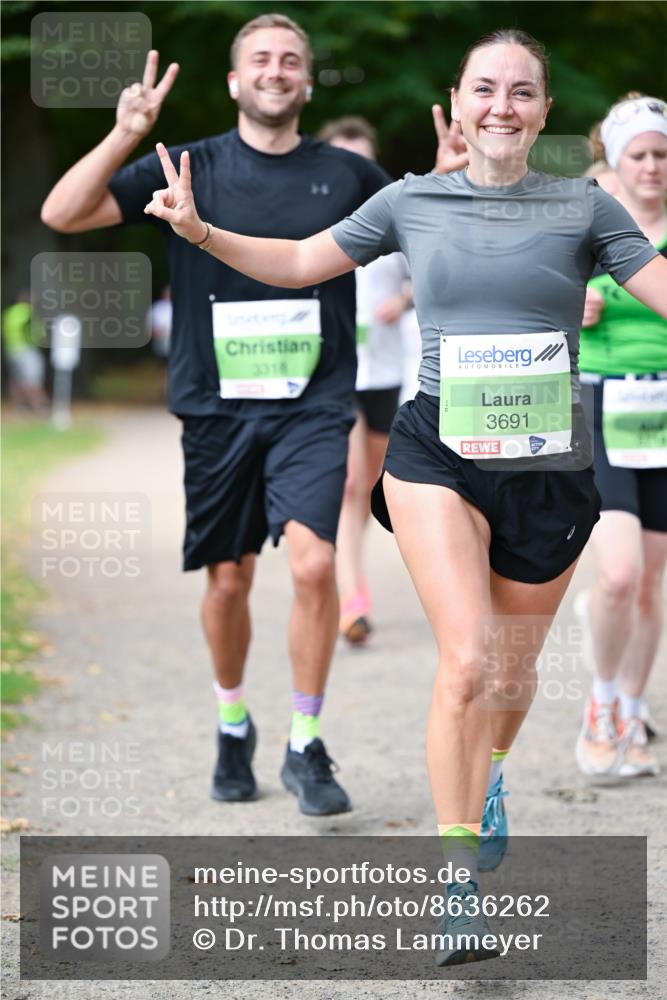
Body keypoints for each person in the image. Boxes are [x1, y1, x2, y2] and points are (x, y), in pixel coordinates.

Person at [142, 28, 666, 964]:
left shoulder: (584, 208)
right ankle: (456, 885)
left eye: (520, 92)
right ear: (457, 105)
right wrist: (198, 229)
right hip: (436, 453)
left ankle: (491, 776)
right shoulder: (410, 200)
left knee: (507, 673)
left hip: (548, 467)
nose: (500, 106)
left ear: (544, 112)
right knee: (464, 661)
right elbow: (302, 263)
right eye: (483, 90)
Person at [41, 13, 391, 817]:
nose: (276, 69)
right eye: (260, 59)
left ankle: (305, 743)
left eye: (291, 60)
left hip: (314, 398)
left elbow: (430, 232)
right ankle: (232, 722)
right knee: (228, 579)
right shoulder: (183, 163)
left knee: (310, 564)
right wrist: (124, 132)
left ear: (306, 81)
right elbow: (64, 213)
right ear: (235, 80)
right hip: (216, 408)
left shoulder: (345, 173)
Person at [575, 94, 667, 779]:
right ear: (612, 158)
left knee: (649, 583)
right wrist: (567, 301)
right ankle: (599, 703)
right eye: (639, 154)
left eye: (662, 154)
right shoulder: (586, 225)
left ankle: (633, 710)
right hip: (599, 402)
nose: (652, 167)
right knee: (617, 573)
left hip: (663, 409)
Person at [317, 116, 411, 643]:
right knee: (352, 480)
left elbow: (423, 279)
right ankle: (351, 597)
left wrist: (402, 300)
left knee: (369, 489)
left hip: (385, 369)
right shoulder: (311, 220)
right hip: (335, 370)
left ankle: (342, 570)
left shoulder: (397, 219)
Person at [2, 290, 48, 413]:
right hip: (26, 349)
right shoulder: (28, 313)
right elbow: (36, 334)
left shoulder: (10, 312)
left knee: (16, 379)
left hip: (11, 350)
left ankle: (20, 407)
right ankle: (39, 405)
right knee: (32, 378)